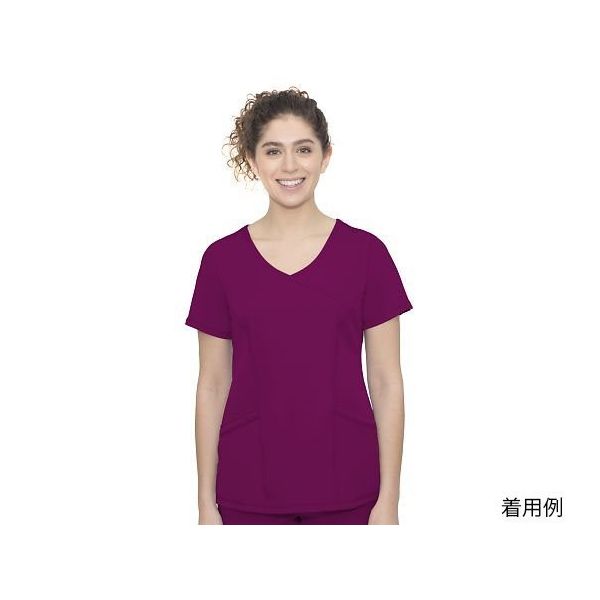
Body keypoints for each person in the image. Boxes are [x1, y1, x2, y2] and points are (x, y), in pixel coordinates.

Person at [185, 87, 413, 525]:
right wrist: (205, 504)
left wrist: (389, 501)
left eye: (303, 149)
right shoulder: (222, 261)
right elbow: (211, 385)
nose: (289, 166)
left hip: (350, 489)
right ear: (253, 161)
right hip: (246, 492)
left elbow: (387, 382)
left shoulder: (367, 255)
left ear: (325, 157)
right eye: (273, 151)